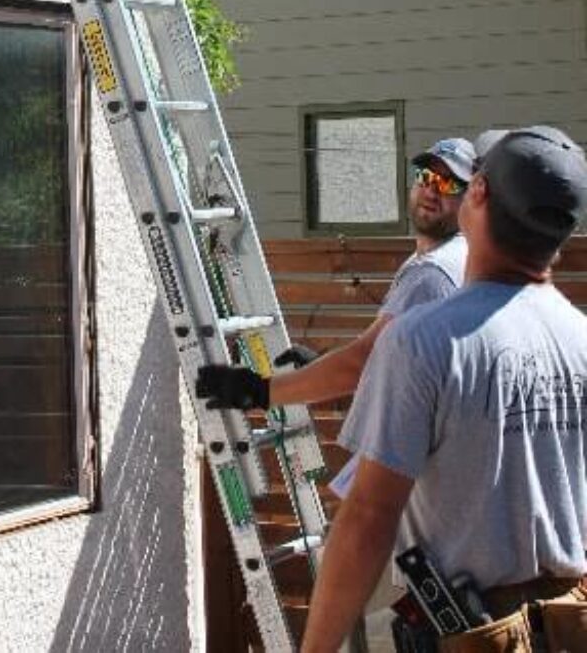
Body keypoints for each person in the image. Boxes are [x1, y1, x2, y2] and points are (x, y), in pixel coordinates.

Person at [301, 126, 587, 653]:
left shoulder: (423, 341)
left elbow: (368, 518)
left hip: (475, 636)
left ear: (476, 195)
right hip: (570, 627)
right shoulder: (580, 338)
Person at [195, 136, 476, 443]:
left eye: (449, 184)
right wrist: (320, 366)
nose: (432, 190)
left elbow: (363, 363)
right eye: (426, 177)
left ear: (472, 198)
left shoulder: (433, 273)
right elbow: (391, 358)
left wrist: (261, 392)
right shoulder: (448, 256)